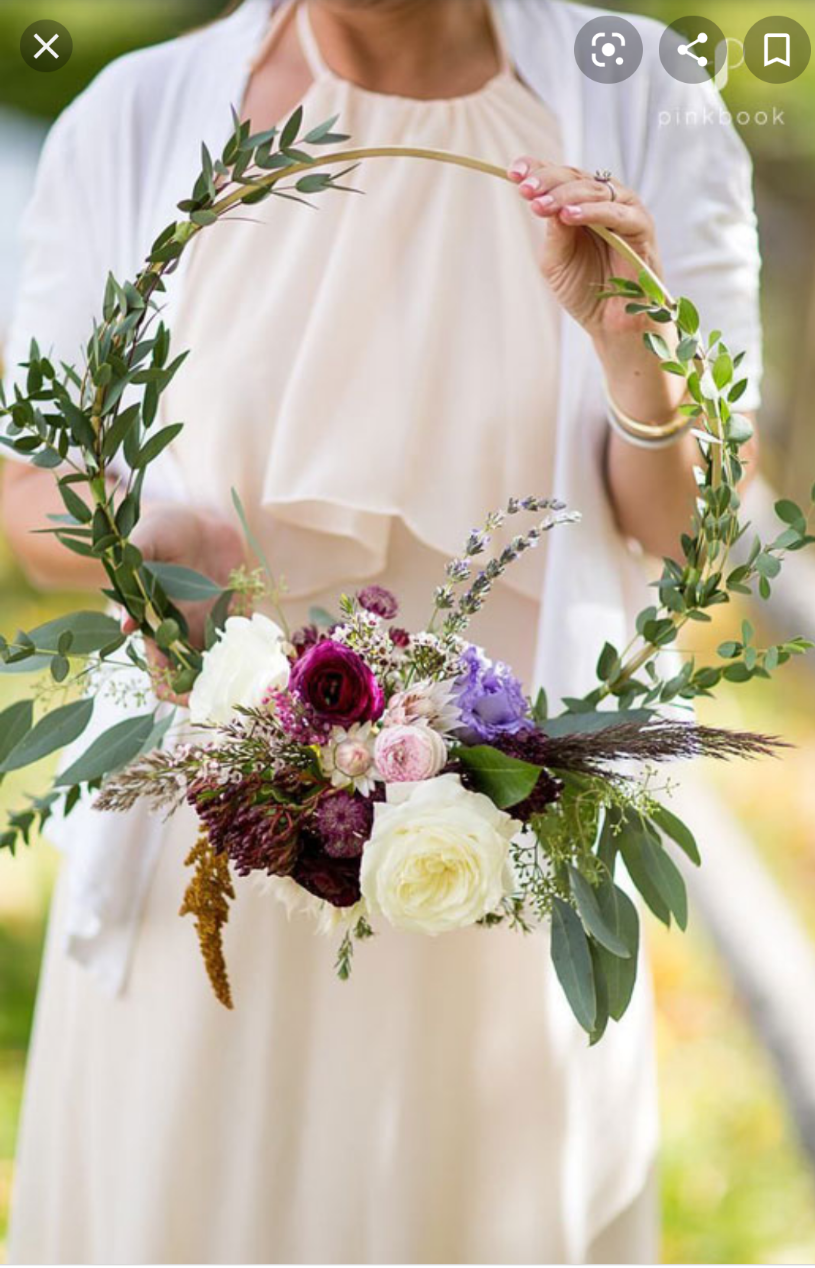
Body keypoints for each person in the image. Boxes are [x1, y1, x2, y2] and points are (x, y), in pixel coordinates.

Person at [2, 0, 761, 1261]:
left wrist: (634, 354)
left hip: (507, 851)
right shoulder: (136, 116)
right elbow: (29, 483)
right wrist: (140, 544)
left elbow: (693, 538)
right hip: (208, 841)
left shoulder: (642, 98)